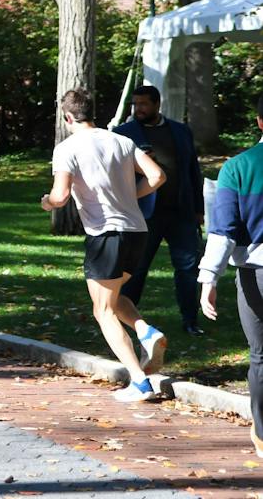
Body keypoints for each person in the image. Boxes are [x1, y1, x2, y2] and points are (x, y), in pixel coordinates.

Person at [40, 88, 168, 403]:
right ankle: (146, 333)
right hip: (137, 231)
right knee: (112, 297)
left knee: (102, 310)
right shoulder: (122, 141)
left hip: (105, 234)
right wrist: (129, 197)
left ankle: (140, 382)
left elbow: (60, 196)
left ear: (67, 116)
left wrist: (46, 203)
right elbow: (157, 176)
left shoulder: (66, 147)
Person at [198, 94, 263, 456]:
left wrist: (209, 279)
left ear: (259, 122)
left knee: (260, 356)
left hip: (256, 274)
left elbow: (223, 230)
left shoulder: (236, 168)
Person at [116, 85, 206, 335]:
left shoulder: (180, 131)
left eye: (143, 104)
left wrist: (198, 209)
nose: (138, 109)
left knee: (188, 268)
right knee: (135, 268)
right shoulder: (123, 133)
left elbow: (192, 171)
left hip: (180, 212)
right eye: (135, 104)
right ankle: (126, 318)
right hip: (144, 214)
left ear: (157, 104)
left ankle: (190, 320)